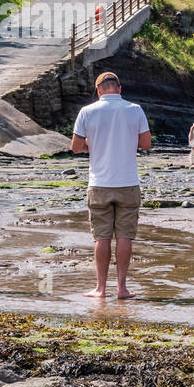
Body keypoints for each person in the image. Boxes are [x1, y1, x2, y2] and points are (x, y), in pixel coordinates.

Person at [71, 71, 151, 298]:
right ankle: (122, 288)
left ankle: (100, 288)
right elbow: (146, 144)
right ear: (119, 88)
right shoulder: (135, 110)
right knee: (125, 236)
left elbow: (75, 147)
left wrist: (92, 144)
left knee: (101, 237)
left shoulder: (87, 111)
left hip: (99, 183)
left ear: (98, 91)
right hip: (128, 183)